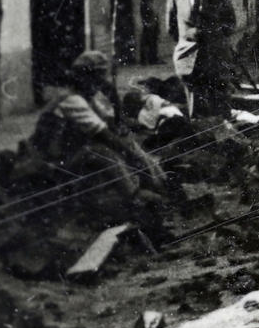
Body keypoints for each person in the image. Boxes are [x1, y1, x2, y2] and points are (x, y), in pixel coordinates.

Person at [19, 50, 178, 233]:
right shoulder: (72, 100)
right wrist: (137, 160)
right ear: (85, 77)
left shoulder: (85, 98)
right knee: (104, 152)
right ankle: (134, 195)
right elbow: (105, 135)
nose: (100, 83)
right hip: (53, 159)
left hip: (69, 153)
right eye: (97, 77)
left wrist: (113, 98)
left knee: (126, 143)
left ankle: (161, 183)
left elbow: (113, 125)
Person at [165, 0, 236, 118]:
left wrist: (212, 38)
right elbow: (171, 28)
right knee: (196, 111)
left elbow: (230, 23)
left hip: (215, 58)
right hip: (189, 60)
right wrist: (188, 40)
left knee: (220, 107)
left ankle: (226, 139)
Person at [136, 0, 166, 65]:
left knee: (154, 30)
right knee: (149, 30)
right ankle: (145, 58)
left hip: (151, 3)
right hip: (147, 4)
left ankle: (152, 57)